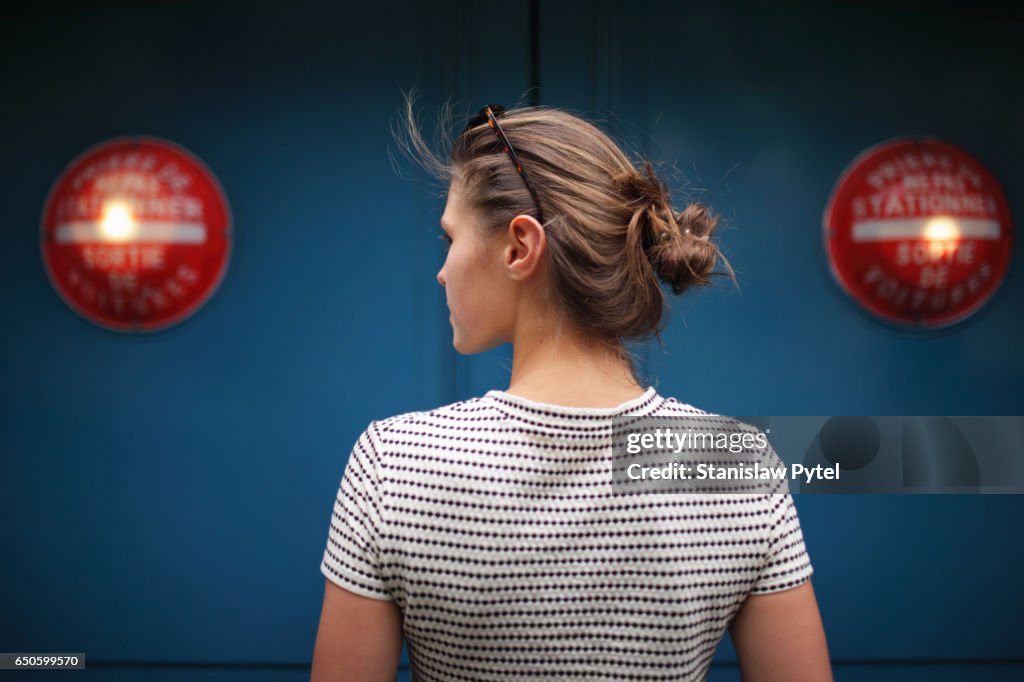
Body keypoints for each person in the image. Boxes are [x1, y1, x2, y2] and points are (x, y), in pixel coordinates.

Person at [311, 93, 832, 681]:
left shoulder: (393, 463)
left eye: (448, 239)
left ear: (519, 246)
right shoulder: (738, 464)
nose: (442, 268)